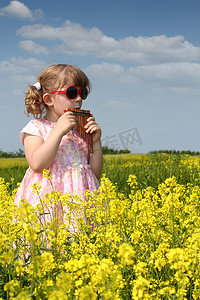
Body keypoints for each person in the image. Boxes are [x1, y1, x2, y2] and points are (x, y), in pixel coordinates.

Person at [15, 64, 103, 217]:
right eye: (71, 92)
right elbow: (37, 164)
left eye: (83, 92)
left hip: (80, 200)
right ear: (49, 99)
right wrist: (58, 131)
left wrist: (95, 143)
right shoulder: (36, 127)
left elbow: (95, 173)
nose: (78, 99)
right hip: (48, 201)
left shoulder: (79, 131)